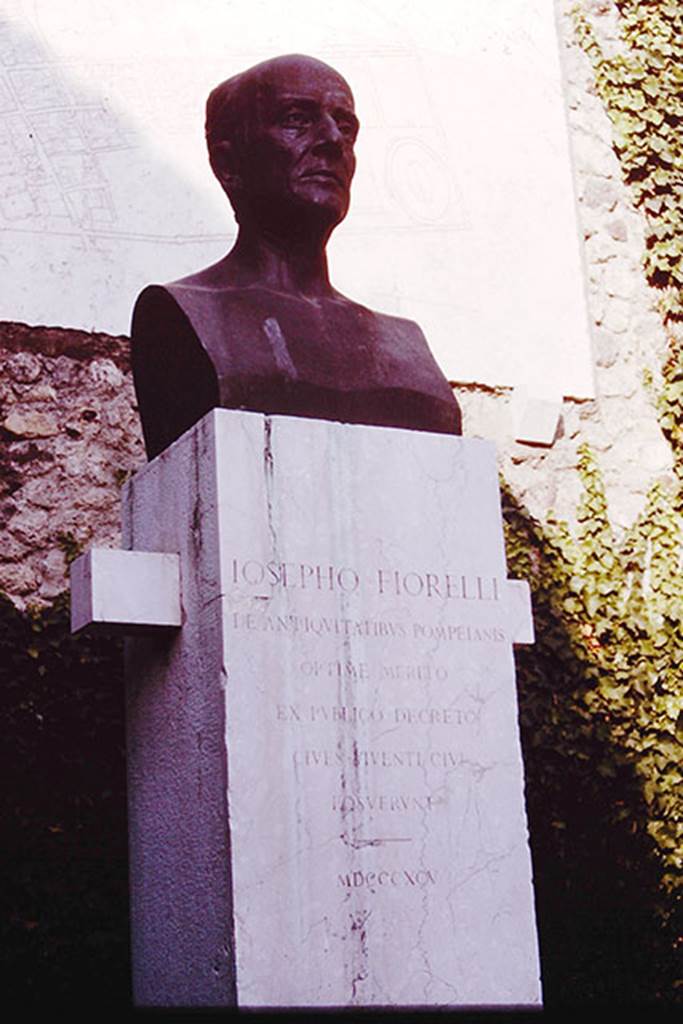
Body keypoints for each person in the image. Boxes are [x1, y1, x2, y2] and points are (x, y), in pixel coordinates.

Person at [131, 54, 461, 460]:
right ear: (227, 163)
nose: (333, 141)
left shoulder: (406, 349)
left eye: (345, 126)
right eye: (296, 120)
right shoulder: (183, 315)